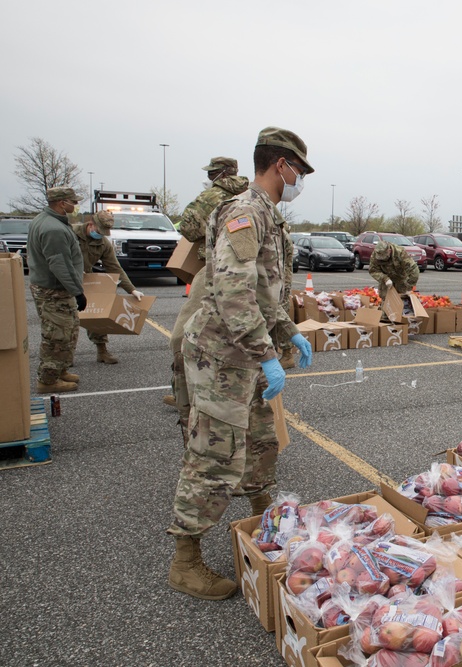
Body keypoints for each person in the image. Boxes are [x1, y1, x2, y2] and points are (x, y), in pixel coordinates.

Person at [167, 127, 314, 601]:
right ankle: (185, 561)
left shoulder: (268, 216)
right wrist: (269, 355)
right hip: (221, 355)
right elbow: (232, 295)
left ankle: (266, 520)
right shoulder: (245, 213)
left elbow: (262, 290)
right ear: (280, 166)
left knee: (260, 439)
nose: (300, 181)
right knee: (213, 455)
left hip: (244, 353)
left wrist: (288, 328)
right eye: (300, 171)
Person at [164, 157, 250, 409]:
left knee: (182, 337)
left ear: (218, 174)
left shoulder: (213, 195)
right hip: (243, 272)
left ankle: (186, 395)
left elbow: (189, 228)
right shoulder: (251, 195)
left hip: (213, 267)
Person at [26, 187, 87, 393]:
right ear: (62, 203)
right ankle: (48, 380)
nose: (75, 205)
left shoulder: (45, 220)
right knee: (57, 336)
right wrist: (77, 291)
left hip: (55, 288)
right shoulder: (54, 229)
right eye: (72, 201)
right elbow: (59, 264)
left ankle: (59, 370)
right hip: (55, 290)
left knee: (68, 331)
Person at [72, 211, 145, 365]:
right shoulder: (70, 234)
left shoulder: (104, 243)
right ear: (91, 224)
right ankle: (65, 356)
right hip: (66, 280)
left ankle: (102, 351)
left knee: (96, 313)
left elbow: (114, 267)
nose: (101, 235)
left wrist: (132, 289)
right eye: (99, 231)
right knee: (68, 319)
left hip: (87, 279)